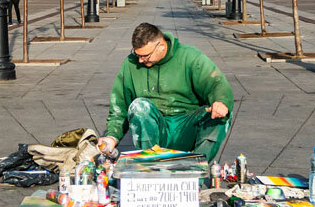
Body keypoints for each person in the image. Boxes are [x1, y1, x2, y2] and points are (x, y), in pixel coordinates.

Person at [98, 23, 234, 161]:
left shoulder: (190, 56)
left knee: (219, 114)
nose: (140, 60)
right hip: (155, 129)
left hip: (187, 126)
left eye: (145, 55)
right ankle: (150, 164)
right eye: (137, 54)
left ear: (161, 46)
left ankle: (197, 166)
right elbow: (119, 107)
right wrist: (112, 136)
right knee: (139, 107)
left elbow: (216, 82)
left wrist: (221, 102)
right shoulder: (131, 64)